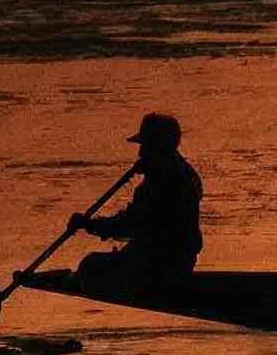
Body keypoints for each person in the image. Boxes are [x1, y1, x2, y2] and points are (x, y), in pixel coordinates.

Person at [81, 112, 206, 285]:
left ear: (159, 147)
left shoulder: (164, 182)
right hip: (177, 262)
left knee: (90, 265)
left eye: (145, 147)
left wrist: (90, 225)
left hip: (159, 266)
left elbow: (129, 224)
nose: (140, 153)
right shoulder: (181, 172)